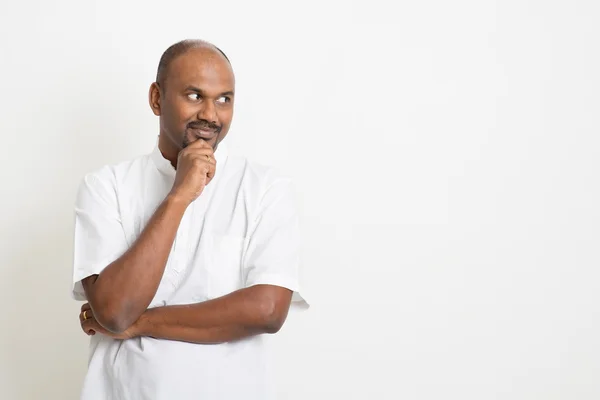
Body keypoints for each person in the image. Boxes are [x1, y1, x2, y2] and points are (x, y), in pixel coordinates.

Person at [71, 39, 309, 400]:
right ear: (156, 98)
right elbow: (115, 311)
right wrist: (179, 195)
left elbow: (267, 310)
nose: (211, 115)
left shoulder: (265, 188)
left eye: (224, 99)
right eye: (195, 96)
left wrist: (142, 322)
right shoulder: (106, 187)